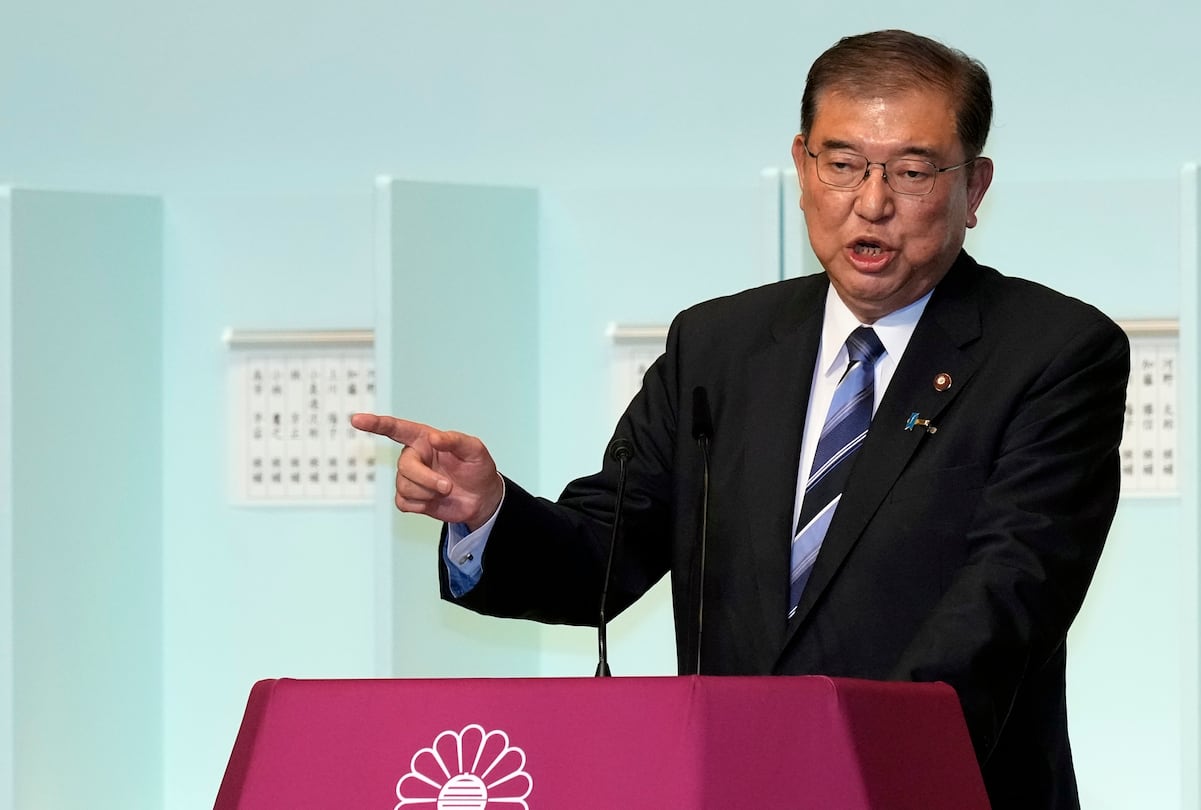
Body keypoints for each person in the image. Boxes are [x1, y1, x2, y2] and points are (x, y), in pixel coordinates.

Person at [353, 29, 1129, 810]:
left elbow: (1008, 598)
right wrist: (487, 514)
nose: (872, 202)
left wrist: (854, 759)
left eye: (913, 171)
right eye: (843, 164)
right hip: (729, 784)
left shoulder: (1054, 352)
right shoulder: (718, 346)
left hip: (932, 787)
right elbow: (605, 553)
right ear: (802, 168)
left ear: (976, 188)